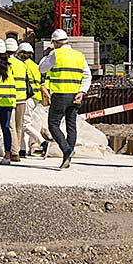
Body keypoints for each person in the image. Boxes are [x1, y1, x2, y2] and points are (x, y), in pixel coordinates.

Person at [38, 28, 91, 169]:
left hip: (60, 95)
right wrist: (82, 91)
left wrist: (47, 55)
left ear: (55, 42)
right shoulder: (79, 56)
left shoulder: (56, 54)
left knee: (53, 124)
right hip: (75, 96)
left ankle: (67, 150)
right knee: (71, 126)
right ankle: (67, 157)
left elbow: (41, 68)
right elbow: (87, 76)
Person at [15, 41, 45, 157]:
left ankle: (42, 142)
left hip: (27, 97)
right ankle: (23, 149)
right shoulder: (35, 66)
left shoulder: (23, 65)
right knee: (24, 123)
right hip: (36, 97)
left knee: (24, 124)